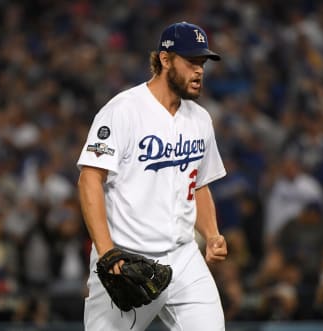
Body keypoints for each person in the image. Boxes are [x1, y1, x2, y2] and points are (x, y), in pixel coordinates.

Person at [77, 22, 228, 331]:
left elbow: (198, 183)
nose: (199, 71)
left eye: (202, 63)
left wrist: (212, 234)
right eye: (191, 62)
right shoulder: (123, 110)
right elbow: (90, 180)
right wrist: (107, 255)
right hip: (126, 259)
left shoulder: (200, 119)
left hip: (185, 258)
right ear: (165, 59)